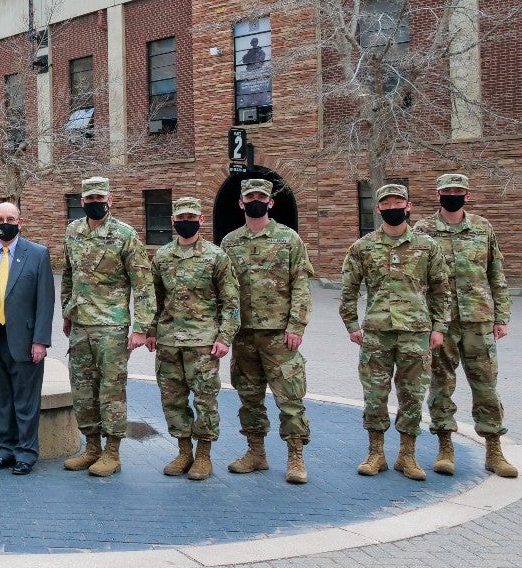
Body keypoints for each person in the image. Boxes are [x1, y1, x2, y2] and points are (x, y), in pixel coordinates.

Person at [340, 183, 451, 481]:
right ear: (378, 209)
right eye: (386, 204)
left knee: (412, 395)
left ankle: (407, 454)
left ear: (409, 206)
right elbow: (348, 290)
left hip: (416, 333)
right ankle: (376, 453)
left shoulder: (428, 246)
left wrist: (439, 327)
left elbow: (441, 290)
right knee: (375, 395)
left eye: (398, 203)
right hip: (376, 333)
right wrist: (352, 325)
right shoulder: (363, 247)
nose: (392, 208)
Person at [414, 173, 515, 477]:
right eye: (447, 191)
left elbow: (496, 272)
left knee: (486, 385)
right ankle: (445, 446)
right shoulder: (424, 230)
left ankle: (494, 449)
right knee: (440, 385)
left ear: (468, 196)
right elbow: (417, 279)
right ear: (438, 195)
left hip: (478, 321)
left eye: (458, 191)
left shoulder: (483, 227)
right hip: (440, 323)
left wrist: (501, 317)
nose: (453, 195)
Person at [220, 178, 314, 484]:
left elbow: (300, 284)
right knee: (249, 397)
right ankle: (256, 453)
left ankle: (296, 457)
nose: (255, 202)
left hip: (279, 334)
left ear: (270, 203)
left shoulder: (289, 239)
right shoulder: (230, 242)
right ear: (241, 203)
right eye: (250, 198)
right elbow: (223, 290)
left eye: (261, 197)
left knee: (289, 398)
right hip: (243, 334)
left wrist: (297, 325)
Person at [61, 176, 154, 478]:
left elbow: (143, 284)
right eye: (89, 199)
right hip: (80, 325)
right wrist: (67, 312)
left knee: (111, 389)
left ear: (110, 201)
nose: (94, 203)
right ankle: (91, 448)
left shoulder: (125, 235)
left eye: (100, 198)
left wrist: (141, 327)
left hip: (112, 327)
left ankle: (112, 451)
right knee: (83, 389)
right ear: (82, 202)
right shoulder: (73, 231)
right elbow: (67, 276)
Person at [147, 196, 240, 481]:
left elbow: (231, 301)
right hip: (169, 341)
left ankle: (203, 455)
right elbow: (155, 299)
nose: (186, 223)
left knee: (205, 400)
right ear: (173, 221)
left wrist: (225, 336)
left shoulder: (216, 256)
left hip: (203, 342)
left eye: (191, 218)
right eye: (181, 219)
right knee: (172, 399)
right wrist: (151, 330)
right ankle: (184, 451)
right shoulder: (162, 257)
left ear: (201, 220)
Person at [0, 201, 55, 476]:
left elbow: (45, 301)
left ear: (20, 221)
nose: (5, 223)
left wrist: (40, 340)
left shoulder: (38, 254)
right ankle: (5, 450)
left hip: (26, 340)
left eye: (10, 218)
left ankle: (26, 453)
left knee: (26, 400)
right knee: (1, 397)